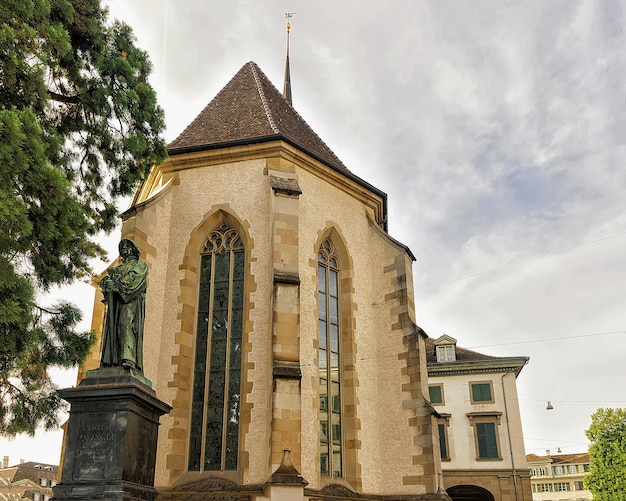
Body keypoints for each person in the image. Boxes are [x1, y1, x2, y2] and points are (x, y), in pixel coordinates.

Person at [99, 238, 148, 371]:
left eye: (127, 247)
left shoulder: (140, 266)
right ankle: (111, 361)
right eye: (123, 247)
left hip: (130, 301)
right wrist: (107, 283)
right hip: (117, 303)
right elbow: (105, 281)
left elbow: (134, 281)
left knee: (125, 323)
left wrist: (117, 285)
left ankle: (129, 358)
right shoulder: (118, 268)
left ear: (134, 250)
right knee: (112, 329)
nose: (125, 249)